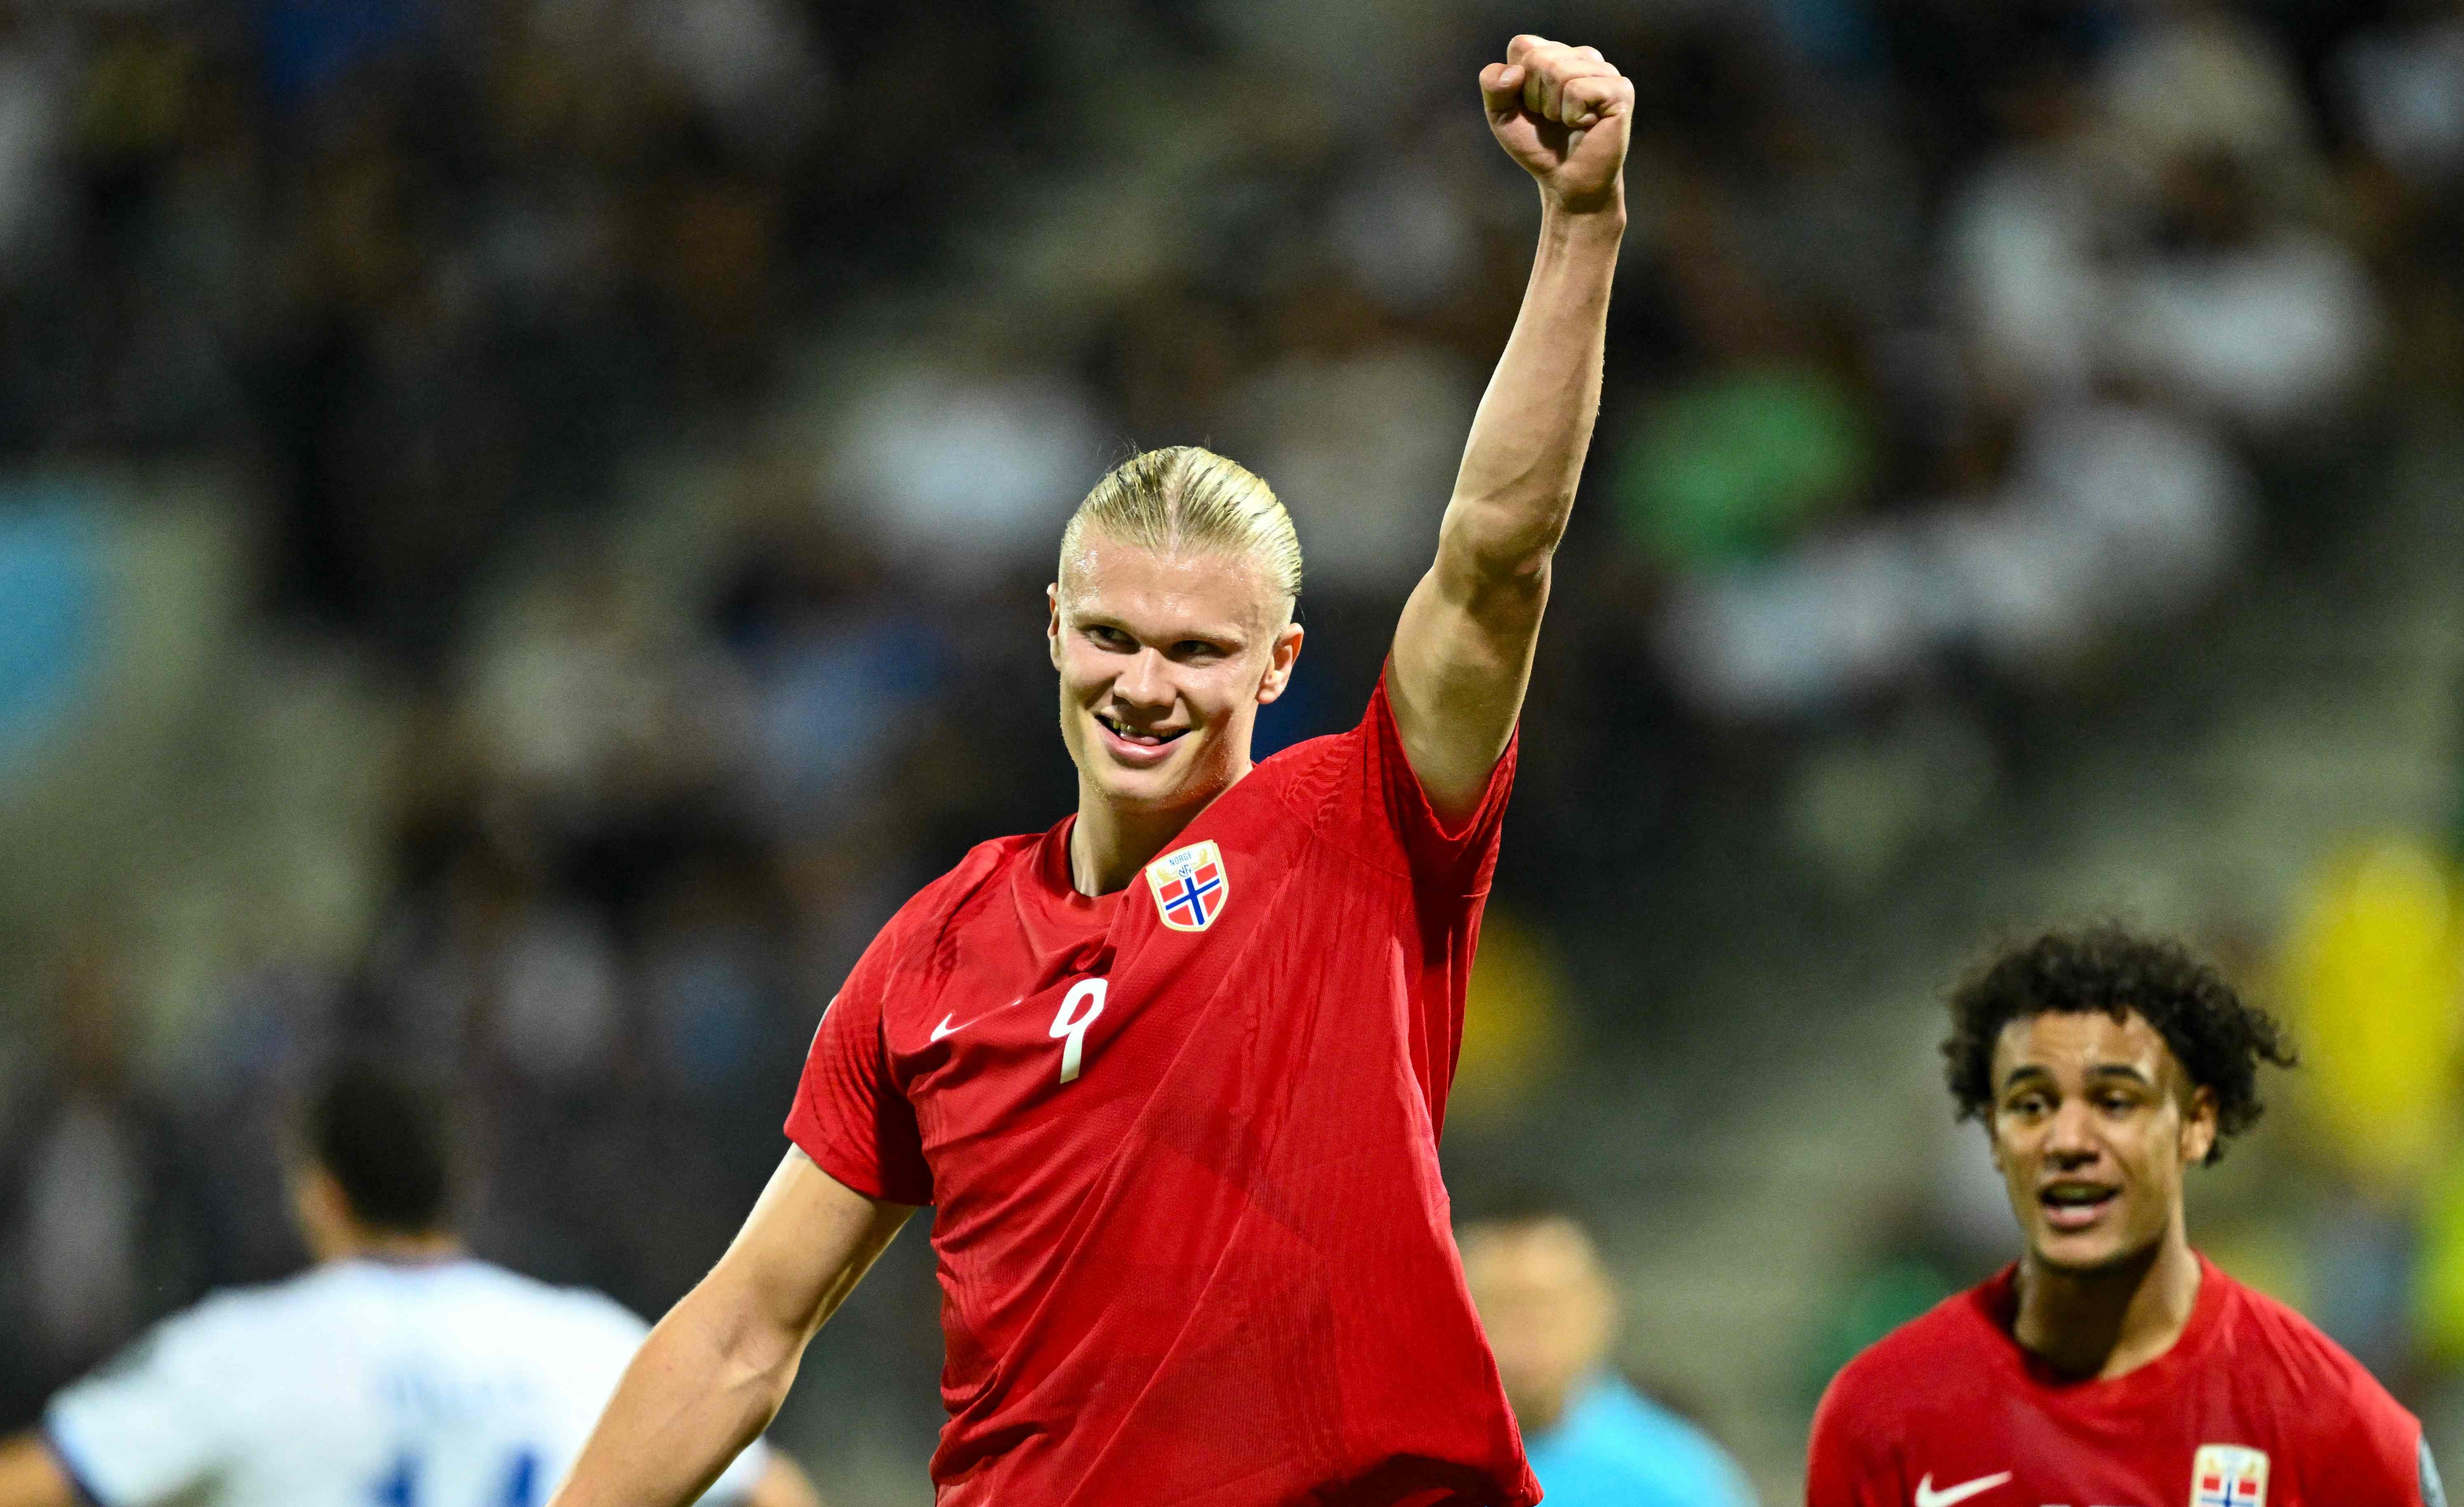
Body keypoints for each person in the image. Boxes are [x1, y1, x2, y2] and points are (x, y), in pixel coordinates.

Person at [549, 31, 1633, 1507]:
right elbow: (746, 1326)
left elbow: (1496, 557)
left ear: (1279, 663)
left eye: (1197, 649)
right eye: (1112, 634)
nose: (1144, 682)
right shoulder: (933, 955)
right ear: (1052, 631)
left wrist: (1579, 227)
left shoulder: (1356, 832)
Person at [1807, 926, 2443, 1507]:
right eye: (2033, 1104)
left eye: (2116, 1102)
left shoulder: (2333, 1420)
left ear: (2197, 1125)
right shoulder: (1882, 1417)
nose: (2070, 1142)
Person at [0, 1065, 819, 1507]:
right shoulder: (592, 1342)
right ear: (454, 1186)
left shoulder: (241, 1352)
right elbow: (776, 1495)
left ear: (321, 1195)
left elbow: (32, 1486)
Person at [1457, 1197, 1757, 1507]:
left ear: (1603, 1307)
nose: (1523, 1334)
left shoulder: (1677, 1480)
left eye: (1547, 1308)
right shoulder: (1419, 1474)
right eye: (1494, 1308)